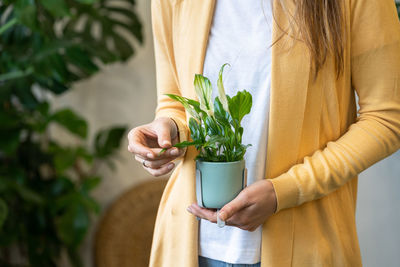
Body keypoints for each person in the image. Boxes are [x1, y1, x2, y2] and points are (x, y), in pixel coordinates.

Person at [127, 0, 400, 266]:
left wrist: (284, 191)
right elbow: (176, 102)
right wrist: (169, 129)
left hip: (308, 245)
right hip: (190, 245)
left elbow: (386, 118)